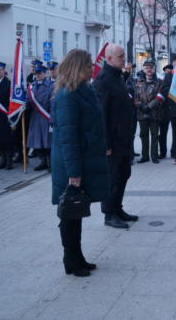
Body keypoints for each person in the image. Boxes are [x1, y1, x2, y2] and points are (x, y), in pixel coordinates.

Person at [51, 49, 109, 277]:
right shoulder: (68, 95)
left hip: (83, 159)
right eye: (87, 65)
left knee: (76, 211)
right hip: (71, 165)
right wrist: (74, 173)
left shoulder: (83, 89)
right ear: (77, 67)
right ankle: (71, 260)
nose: (91, 69)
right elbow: (68, 136)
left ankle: (78, 257)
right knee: (69, 211)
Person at [92, 43, 138, 229]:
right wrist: (106, 144)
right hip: (112, 141)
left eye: (124, 56)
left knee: (123, 174)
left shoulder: (118, 77)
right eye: (120, 57)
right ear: (109, 58)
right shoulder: (103, 80)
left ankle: (118, 208)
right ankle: (109, 214)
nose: (124, 60)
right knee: (113, 178)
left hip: (124, 138)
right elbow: (101, 115)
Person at [134, 59, 166, 164]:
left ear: (154, 69)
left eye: (151, 68)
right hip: (142, 112)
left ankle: (154, 156)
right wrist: (141, 105)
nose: (149, 70)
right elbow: (134, 96)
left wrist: (149, 106)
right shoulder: (138, 82)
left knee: (155, 135)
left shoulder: (159, 82)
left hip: (154, 113)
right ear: (143, 69)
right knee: (143, 135)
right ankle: (145, 156)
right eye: (146, 68)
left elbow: (161, 96)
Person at [27, 65, 54, 171]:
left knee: (48, 142)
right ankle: (43, 161)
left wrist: (52, 118)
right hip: (36, 117)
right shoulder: (32, 86)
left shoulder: (51, 86)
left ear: (44, 73)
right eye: (36, 74)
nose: (38, 75)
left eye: (40, 73)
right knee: (37, 141)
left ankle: (51, 163)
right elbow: (28, 100)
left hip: (46, 117)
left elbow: (53, 103)